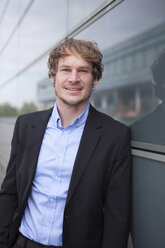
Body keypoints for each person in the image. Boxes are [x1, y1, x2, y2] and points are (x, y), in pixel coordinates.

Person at [0, 38, 132, 248]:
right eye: (65, 70)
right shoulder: (26, 126)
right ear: (53, 76)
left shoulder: (115, 136)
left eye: (83, 71)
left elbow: (118, 216)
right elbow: (10, 191)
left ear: (95, 78)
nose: (74, 78)